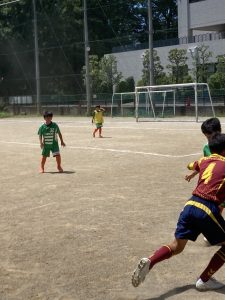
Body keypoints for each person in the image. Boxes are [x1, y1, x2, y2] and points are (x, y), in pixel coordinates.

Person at [132, 133, 225, 292]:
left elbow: (190, 165)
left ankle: (151, 260)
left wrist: (197, 167)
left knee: (177, 246)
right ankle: (204, 280)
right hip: (207, 208)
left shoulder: (204, 160)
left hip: (190, 205)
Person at [185, 117, 221, 182]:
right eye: (206, 137)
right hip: (213, 181)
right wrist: (193, 174)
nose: (209, 140)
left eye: (210, 137)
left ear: (218, 132)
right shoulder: (206, 147)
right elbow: (205, 163)